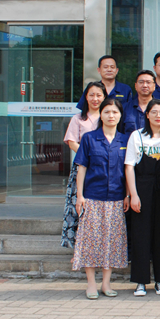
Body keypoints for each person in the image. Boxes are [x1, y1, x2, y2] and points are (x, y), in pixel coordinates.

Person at [71, 98, 129, 299]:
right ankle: (91, 284)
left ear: (120, 115)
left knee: (111, 241)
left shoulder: (125, 140)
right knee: (91, 241)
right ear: (101, 115)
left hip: (116, 198)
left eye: (115, 112)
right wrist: (80, 196)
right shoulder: (89, 138)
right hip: (92, 197)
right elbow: (82, 167)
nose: (111, 116)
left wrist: (127, 195)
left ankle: (106, 283)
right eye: (107, 112)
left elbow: (128, 170)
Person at [124, 99, 160, 297]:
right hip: (142, 187)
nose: (158, 116)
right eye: (154, 112)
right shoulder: (137, 136)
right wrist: (133, 195)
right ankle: (140, 281)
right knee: (141, 235)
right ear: (147, 115)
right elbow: (129, 167)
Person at [61, 81, 106, 249]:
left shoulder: (108, 115)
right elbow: (71, 141)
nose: (95, 98)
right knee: (78, 205)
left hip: (104, 167)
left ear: (104, 97)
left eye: (99, 95)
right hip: (82, 165)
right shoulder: (78, 118)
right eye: (91, 95)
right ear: (86, 97)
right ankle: (77, 249)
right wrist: (89, 154)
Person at [123, 70, 156, 134]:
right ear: (135, 86)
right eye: (141, 82)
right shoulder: (125, 108)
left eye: (148, 82)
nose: (145, 85)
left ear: (154, 86)